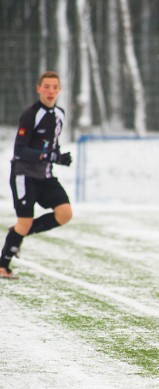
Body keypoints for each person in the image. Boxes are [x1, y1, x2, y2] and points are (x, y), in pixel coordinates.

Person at [0, 71, 73, 279]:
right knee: (25, 221)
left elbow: (52, 145)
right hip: (24, 174)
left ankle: (18, 233)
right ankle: (3, 265)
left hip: (45, 176)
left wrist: (59, 156)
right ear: (39, 89)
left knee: (65, 214)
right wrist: (48, 156)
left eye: (55, 87)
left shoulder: (60, 114)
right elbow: (20, 150)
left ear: (59, 90)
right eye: (47, 86)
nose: (50, 91)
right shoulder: (31, 114)